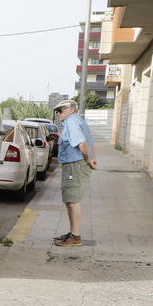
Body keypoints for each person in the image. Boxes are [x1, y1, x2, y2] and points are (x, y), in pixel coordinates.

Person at [53, 99, 97, 247]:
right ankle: (72, 233)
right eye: (57, 111)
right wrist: (91, 158)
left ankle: (76, 236)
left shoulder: (71, 122)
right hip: (74, 165)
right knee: (70, 200)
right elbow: (91, 143)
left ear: (71, 109)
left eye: (60, 110)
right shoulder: (76, 121)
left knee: (73, 201)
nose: (58, 113)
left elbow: (82, 143)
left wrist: (89, 159)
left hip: (74, 165)